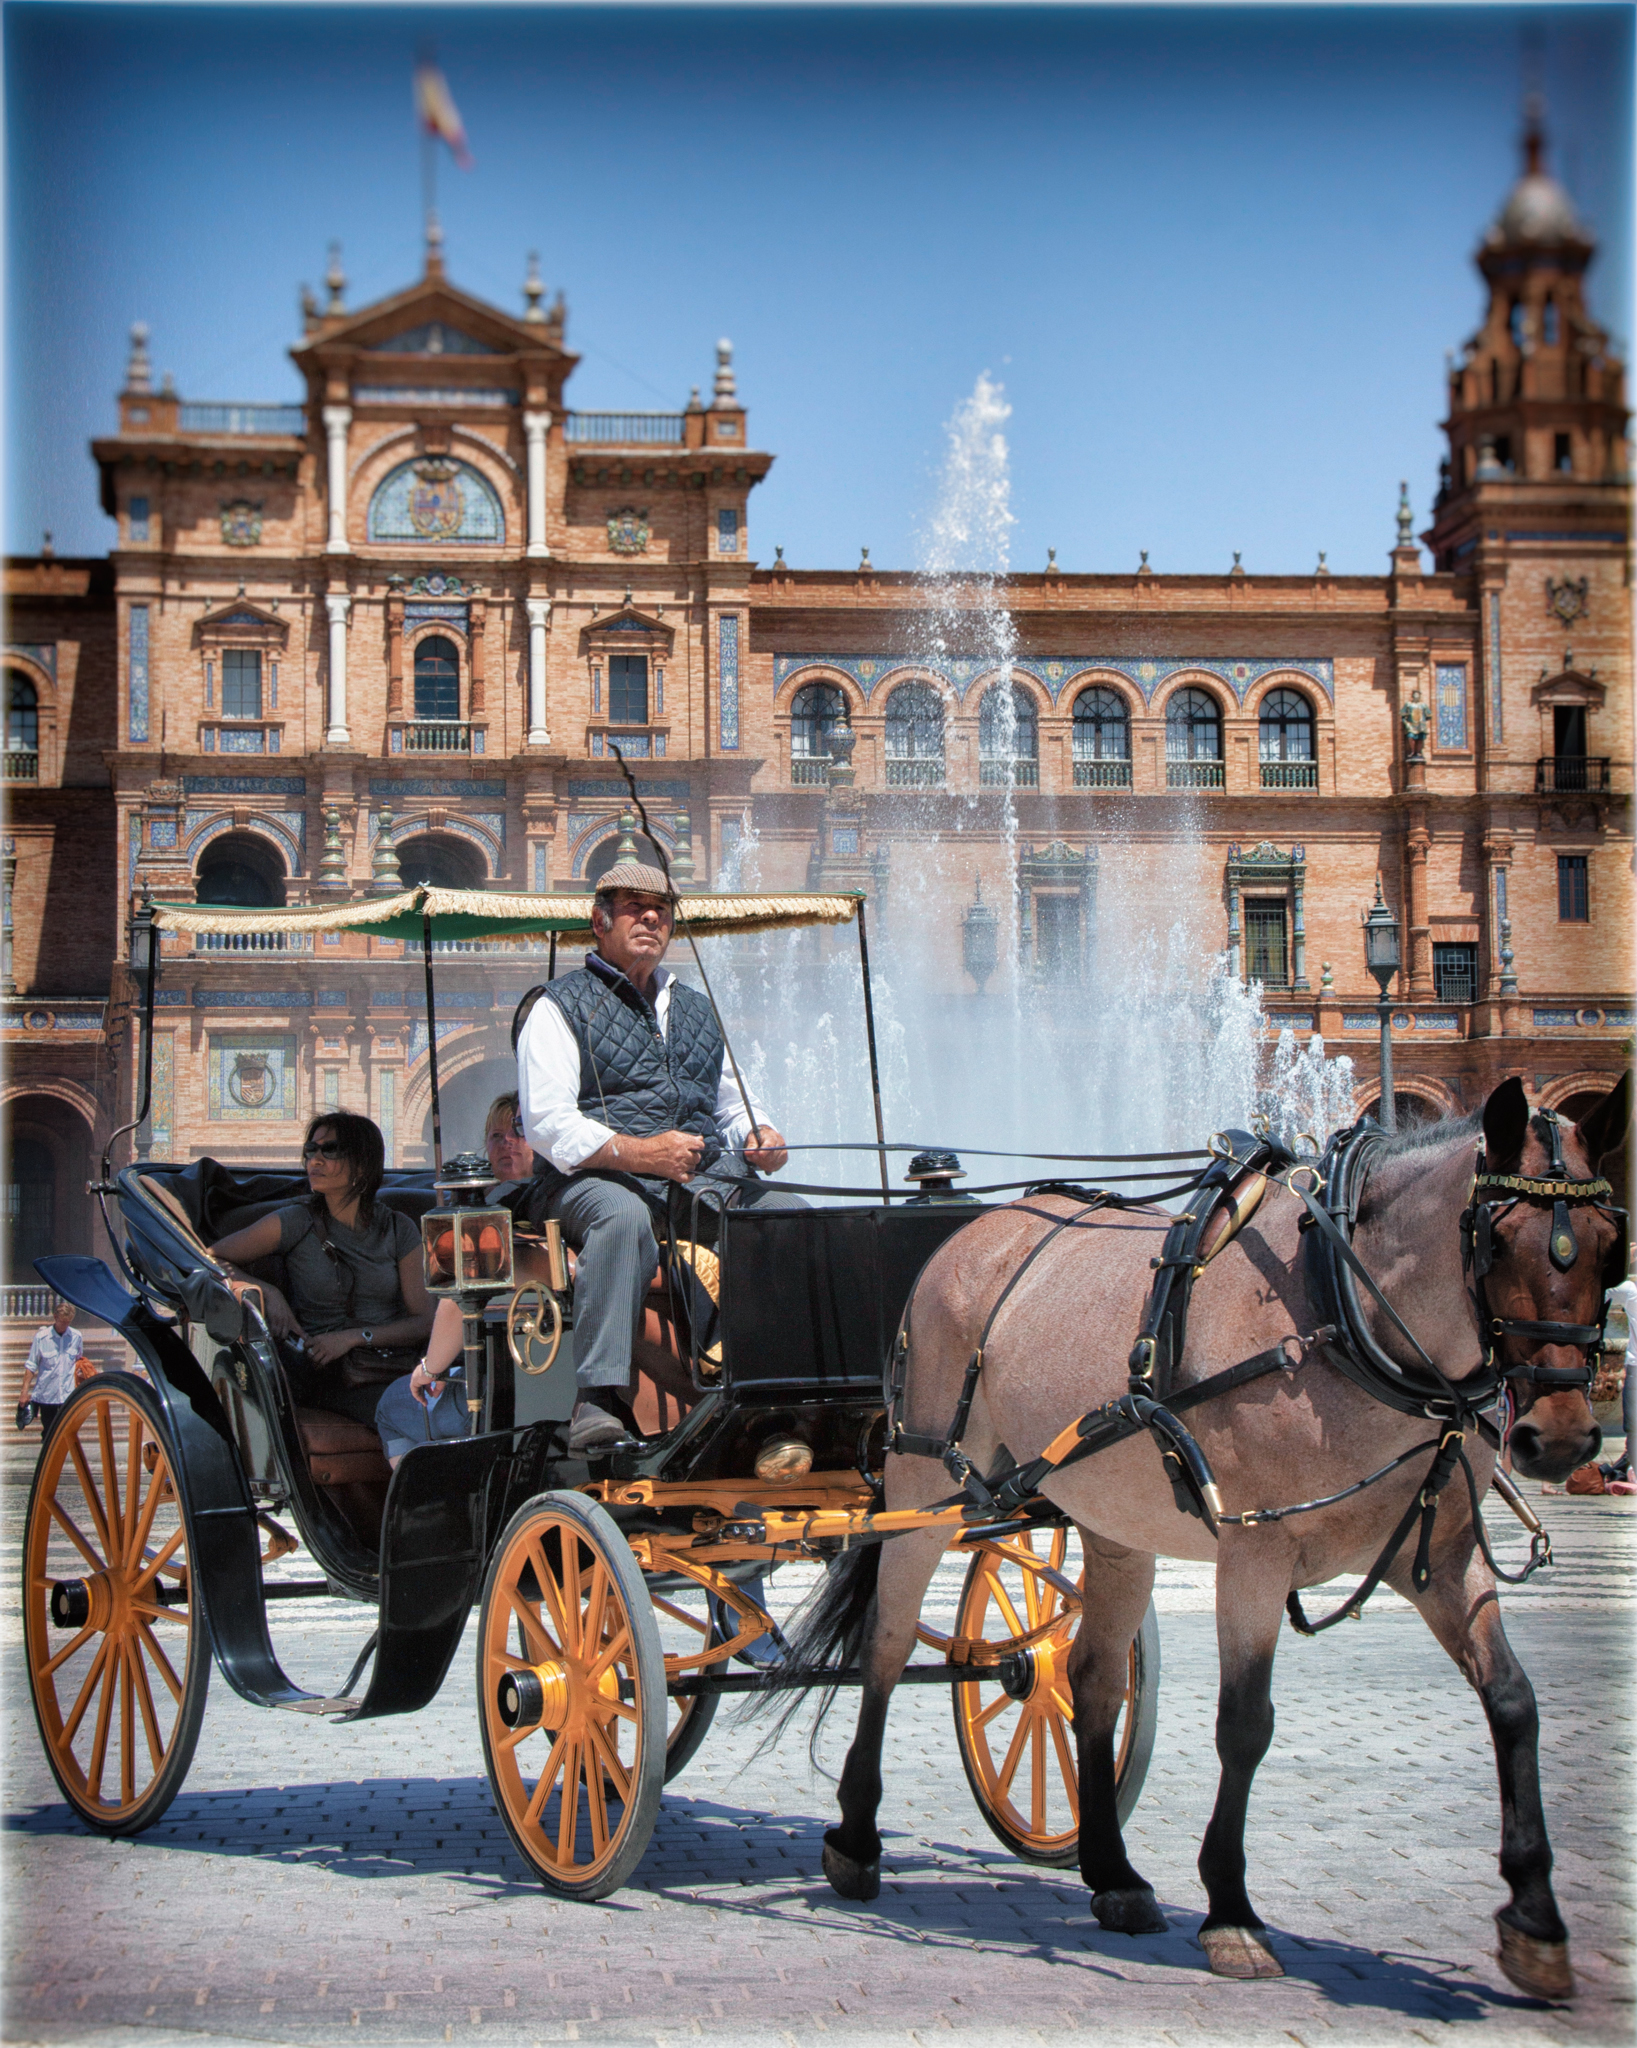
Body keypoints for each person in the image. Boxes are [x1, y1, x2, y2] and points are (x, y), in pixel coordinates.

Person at [514, 859, 806, 1454]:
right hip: (592, 1178)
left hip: (698, 1178)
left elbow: (731, 1101)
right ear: (598, 921)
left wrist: (761, 1132)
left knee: (789, 1214)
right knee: (620, 1220)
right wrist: (641, 1153)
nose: (652, 917)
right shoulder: (558, 1006)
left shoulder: (697, 1008)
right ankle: (597, 1395)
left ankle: (786, 1382)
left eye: (663, 909)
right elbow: (547, 1123)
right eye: (633, 906)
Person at [212, 1110, 433, 1427]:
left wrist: (355, 1337)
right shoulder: (295, 1221)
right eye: (310, 1151)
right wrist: (267, 1291)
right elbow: (211, 1258)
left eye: (329, 1151)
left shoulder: (398, 1229)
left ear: (361, 1161)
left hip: (391, 1366)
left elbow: (424, 1322)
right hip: (327, 1375)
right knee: (412, 1415)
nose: (314, 1161)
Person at [374, 1091, 540, 1466]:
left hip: (499, 1390)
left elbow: (457, 1298)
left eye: (519, 1132)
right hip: (549, 1379)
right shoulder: (569, 1202)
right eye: (496, 1136)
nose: (506, 1143)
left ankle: (432, 1519)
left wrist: (428, 1370)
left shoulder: (485, 1219)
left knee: (392, 1404)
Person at [19, 1299, 82, 1436]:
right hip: (47, 1396)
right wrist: (24, 1392)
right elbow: (31, 1365)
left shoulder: (76, 1337)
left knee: (68, 1434)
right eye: (62, 1322)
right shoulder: (41, 1338)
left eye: (68, 1322)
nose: (65, 1326)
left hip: (68, 1395)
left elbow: (78, 1362)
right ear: (55, 1318)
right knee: (49, 1435)